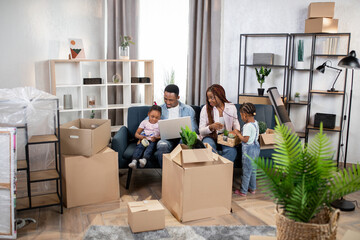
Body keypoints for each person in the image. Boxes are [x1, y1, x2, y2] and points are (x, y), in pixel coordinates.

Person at [154, 84, 198, 167]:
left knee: (185, 143)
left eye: (171, 100)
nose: (167, 102)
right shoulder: (158, 109)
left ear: (178, 97)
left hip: (182, 138)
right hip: (165, 139)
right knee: (162, 145)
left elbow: (194, 129)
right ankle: (166, 175)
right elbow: (147, 122)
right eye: (165, 99)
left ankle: (181, 173)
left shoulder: (188, 110)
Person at [199, 84, 240, 162]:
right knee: (208, 147)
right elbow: (201, 130)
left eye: (212, 98)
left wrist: (235, 131)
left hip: (225, 136)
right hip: (209, 136)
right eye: (208, 98)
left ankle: (220, 168)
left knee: (232, 151)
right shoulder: (205, 109)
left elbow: (236, 123)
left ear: (220, 96)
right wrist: (211, 127)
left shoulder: (231, 107)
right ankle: (216, 169)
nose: (209, 100)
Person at [233, 102, 260, 196]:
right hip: (256, 148)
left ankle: (243, 191)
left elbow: (245, 139)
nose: (241, 118)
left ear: (245, 115)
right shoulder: (255, 123)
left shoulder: (247, 126)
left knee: (246, 172)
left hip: (249, 151)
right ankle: (252, 188)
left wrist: (238, 133)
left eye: (241, 115)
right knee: (253, 170)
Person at [128, 105, 162, 169]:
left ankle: (144, 160)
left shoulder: (160, 123)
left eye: (157, 117)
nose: (154, 119)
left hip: (153, 141)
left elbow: (163, 136)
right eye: (152, 116)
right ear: (148, 114)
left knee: (150, 148)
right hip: (144, 139)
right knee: (139, 147)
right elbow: (136, 134)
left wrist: (156, 138)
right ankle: (134, 161)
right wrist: (141, 137)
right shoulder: (144, 122)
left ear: (160, 117)